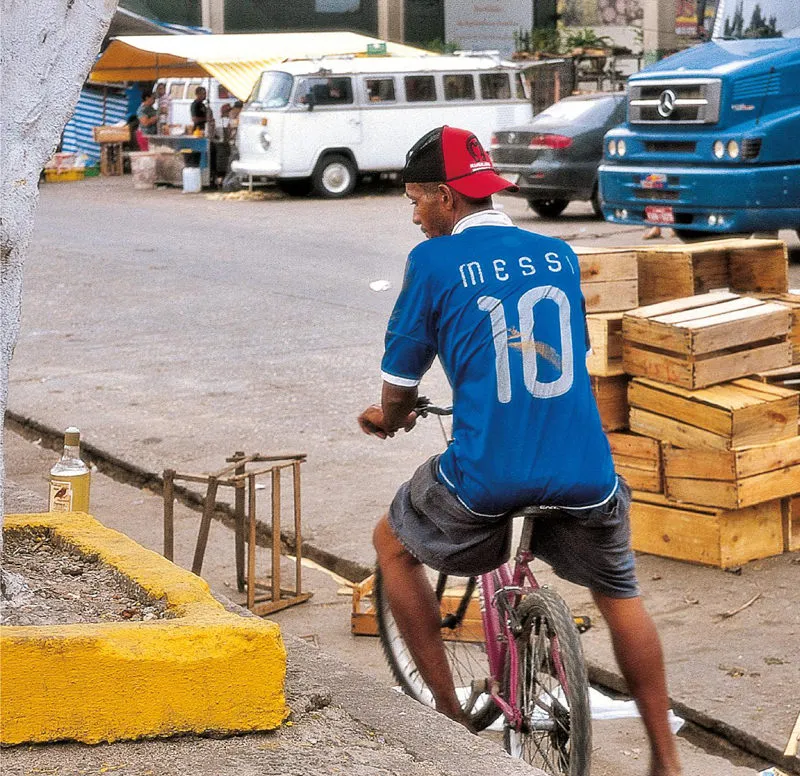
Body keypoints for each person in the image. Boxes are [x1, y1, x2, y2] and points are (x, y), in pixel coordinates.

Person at [357, 125, 682, 776]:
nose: (416, 214)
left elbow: (400, 384)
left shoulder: (433, 263)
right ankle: (667, 759)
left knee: (390, 544)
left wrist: (387, 420)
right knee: (622, 595)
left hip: (487, 476)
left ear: (447, 198)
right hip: (586, 471)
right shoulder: (556, 254)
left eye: (417, 199)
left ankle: (447, 715)